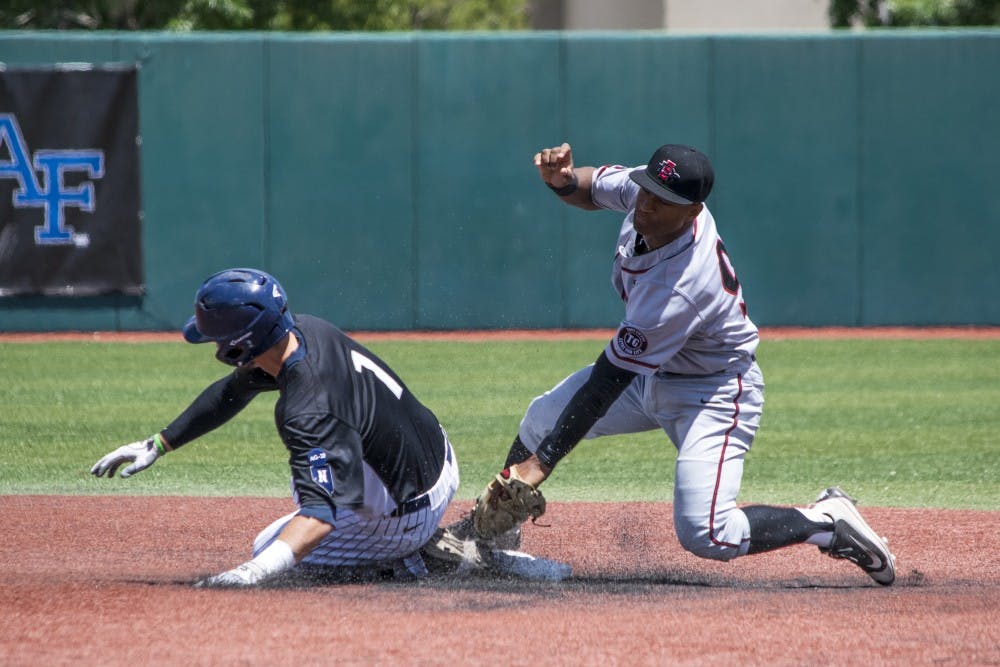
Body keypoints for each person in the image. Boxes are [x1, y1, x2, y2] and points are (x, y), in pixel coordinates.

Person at [461, 142, 896, 585]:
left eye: (661, 200)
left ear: (692, 212)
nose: (646, 203)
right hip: (650, 373)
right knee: (541, 417)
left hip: (711, 392)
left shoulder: (682, 286)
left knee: (708, 533)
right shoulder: (648, 191)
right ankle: (491, 541)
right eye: (647, 189)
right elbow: (589, 187)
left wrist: (542, 463)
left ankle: (826, 521)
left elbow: (608, 380)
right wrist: (562, 180)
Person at [91, 267, 460, 585]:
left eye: (217, 340)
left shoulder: (306, 407)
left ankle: (413, 559)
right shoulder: (305, 332)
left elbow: (319, 517)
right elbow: (231, 393)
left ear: (237, 348)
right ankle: (413, 537)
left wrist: (252, 572)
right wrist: (158, 443)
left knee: (272, 547)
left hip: (406, 516)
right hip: (440, 461)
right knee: (322, 470)